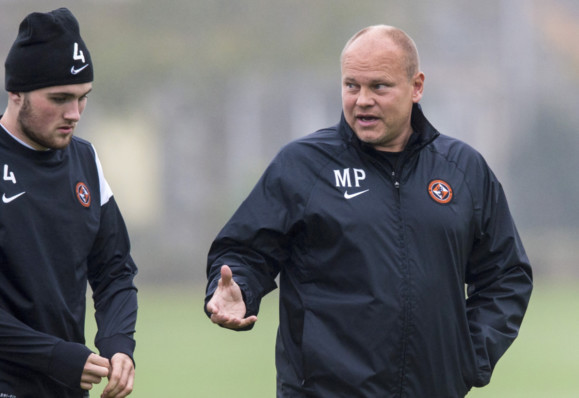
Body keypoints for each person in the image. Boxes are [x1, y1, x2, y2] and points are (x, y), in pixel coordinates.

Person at [205, 25, 533, 397]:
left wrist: (469, 356)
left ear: (417, 86)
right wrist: (238, 289)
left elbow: (506, 275)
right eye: (351, 86)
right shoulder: (303, 166)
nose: (362, 100)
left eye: (378, 86)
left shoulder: (463, 170)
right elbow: (245, 251)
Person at [0, 8, 137, 398]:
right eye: (60, 98)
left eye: (83, 98)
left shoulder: (85, 160)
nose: (74, 113)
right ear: (16, 92)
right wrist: (55, 356)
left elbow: (114, 269)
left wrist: (119, 344)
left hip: (66, 387)